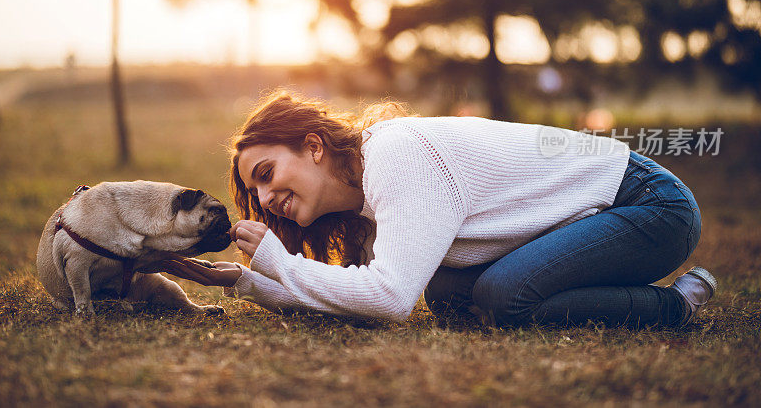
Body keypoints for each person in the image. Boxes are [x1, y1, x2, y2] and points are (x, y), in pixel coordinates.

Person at [168, 90, 716, 328]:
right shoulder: (363, 201)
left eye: (266, 175)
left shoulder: (395, 155)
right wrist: (240, 282)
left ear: (314, 147)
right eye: (255, 194)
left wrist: (277, 262)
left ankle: (671, 309)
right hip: (591, 216)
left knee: (503, 299)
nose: (265, 201)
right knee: (451, 294)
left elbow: (388, 299)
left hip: (647, 206)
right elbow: (356, 294)